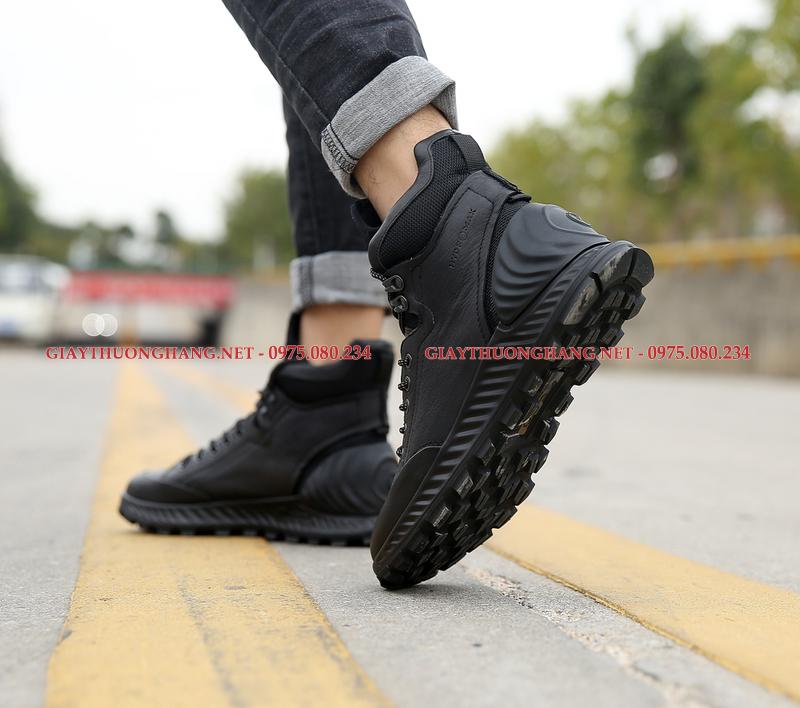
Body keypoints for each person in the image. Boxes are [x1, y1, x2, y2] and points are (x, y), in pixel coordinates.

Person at [120, 0, 654, 590]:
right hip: (334, 418)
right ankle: (326, 401)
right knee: (310, 89)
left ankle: (451, 220)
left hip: (465, 238)